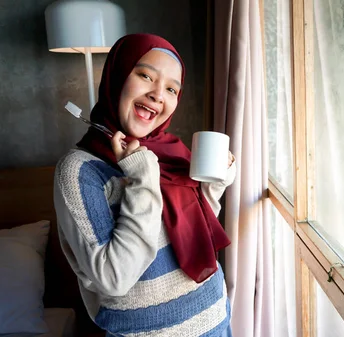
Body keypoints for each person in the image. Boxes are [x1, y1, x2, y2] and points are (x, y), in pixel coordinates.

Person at [53, 33, 235, 336]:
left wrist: (213, 186)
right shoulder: (80, 171)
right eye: (145, 75)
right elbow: (115, 278)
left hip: (215, 320)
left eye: (171, 88)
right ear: (119, 75)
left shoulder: (169, 152)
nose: (157, 94)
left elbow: (188, 235)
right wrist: (141, 177)